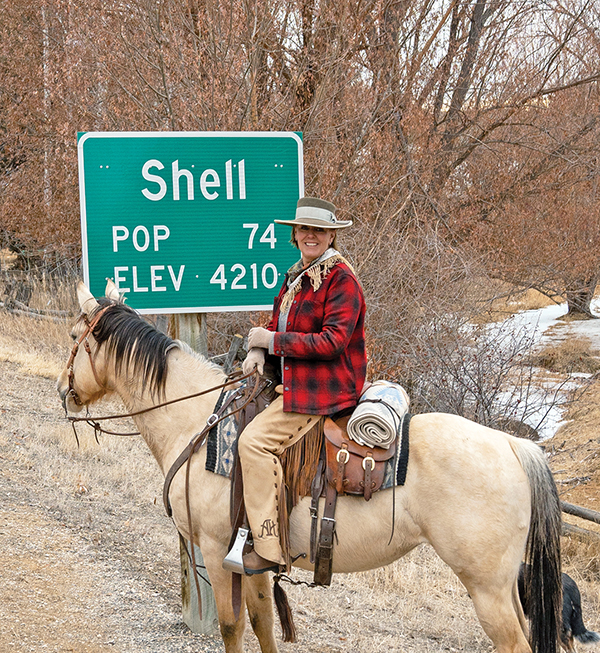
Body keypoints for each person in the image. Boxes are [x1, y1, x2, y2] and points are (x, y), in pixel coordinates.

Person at [231, 196, 367, 574]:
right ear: (295, 233)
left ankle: (269, 547)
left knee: (253, 443)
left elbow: (332, 341)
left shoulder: (342, 280)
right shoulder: (297, 276)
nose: (311, 235)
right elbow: (279, 325)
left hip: (325, 390)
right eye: (305, 229)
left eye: (319, 230)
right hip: (296, 381)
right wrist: (261, 351)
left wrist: (271, 342)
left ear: (331, 236)